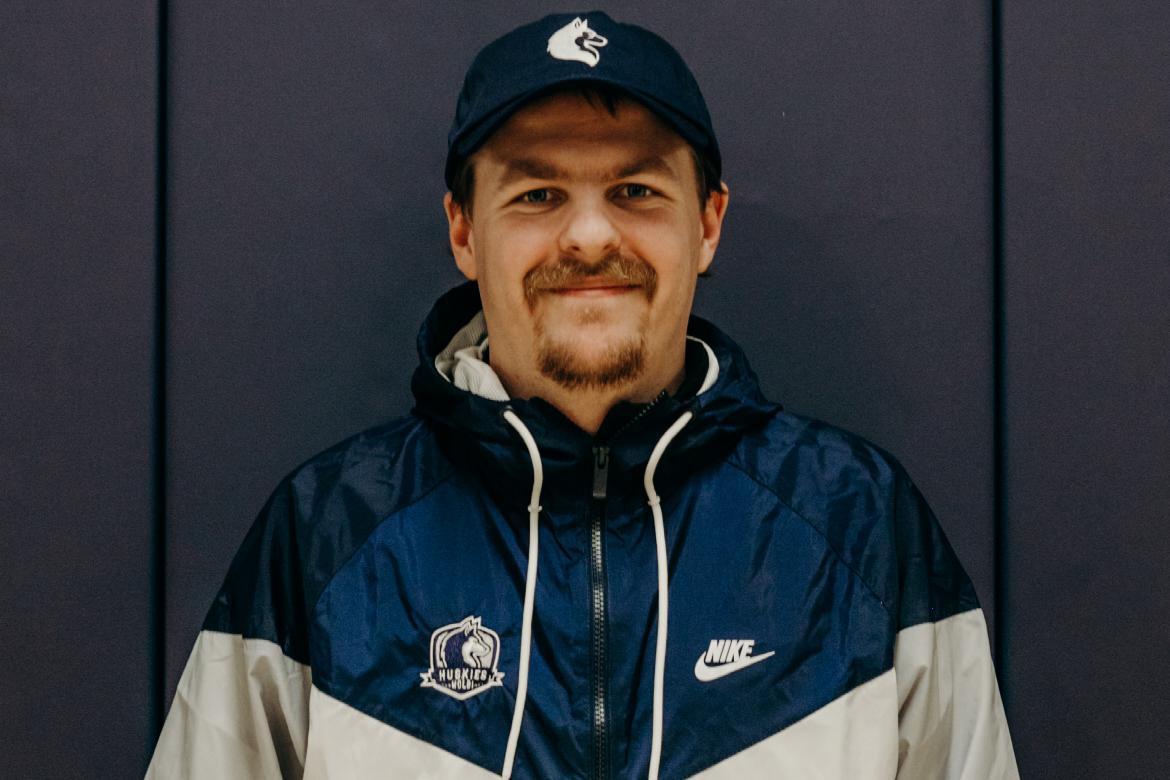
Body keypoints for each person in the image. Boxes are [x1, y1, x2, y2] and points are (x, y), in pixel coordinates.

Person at [147, 11, 1018, 779]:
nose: (591, 235)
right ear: (464, 231)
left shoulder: (860, 527)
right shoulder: (324, 539)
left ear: (707, 223)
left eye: (635, 191)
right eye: (538, 194)